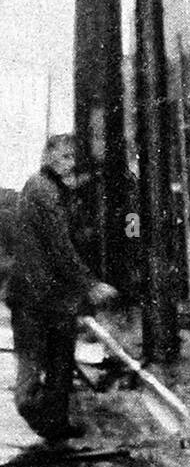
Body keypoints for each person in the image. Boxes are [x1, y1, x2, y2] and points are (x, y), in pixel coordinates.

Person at [5, 134, 117, 443]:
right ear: (48, 158)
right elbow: (61, 247)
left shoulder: (52, 190)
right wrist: (90, 285)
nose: (70, 163)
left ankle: (54, 424)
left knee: (58, 362)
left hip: (48, 296)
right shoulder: (45, 191)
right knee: (39, 365)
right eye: (64, 157)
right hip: (38, 296)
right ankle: (42, 415)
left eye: (73, 157)